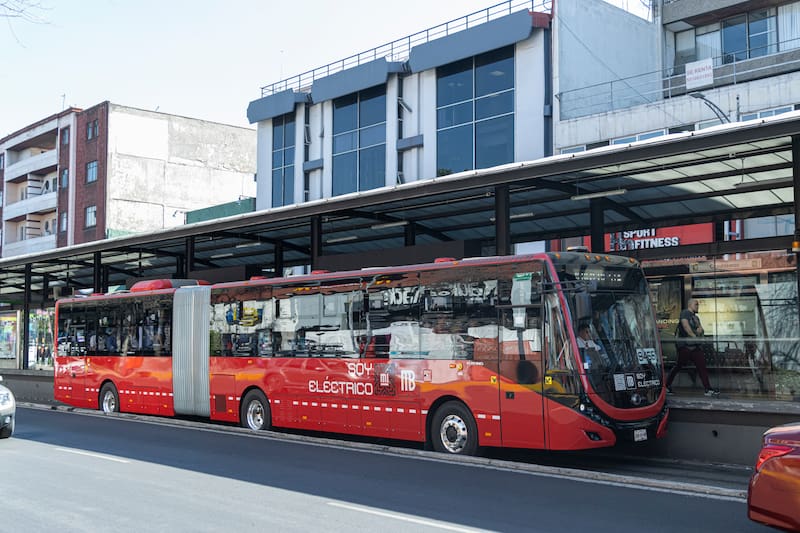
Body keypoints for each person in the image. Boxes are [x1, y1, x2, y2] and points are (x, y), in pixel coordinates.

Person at [666, 298, 719, 396]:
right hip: (685, 346)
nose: (698, 306)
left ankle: (708, 389)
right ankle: (665, 386)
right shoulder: (685, 313)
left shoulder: (696, 317)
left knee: (701, 366)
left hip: (694, 346)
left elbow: (701, 329)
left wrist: (699, 332)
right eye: (696, 304)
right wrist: (695, 336)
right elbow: (686, 326)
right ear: (690, 305)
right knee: (678, 366)